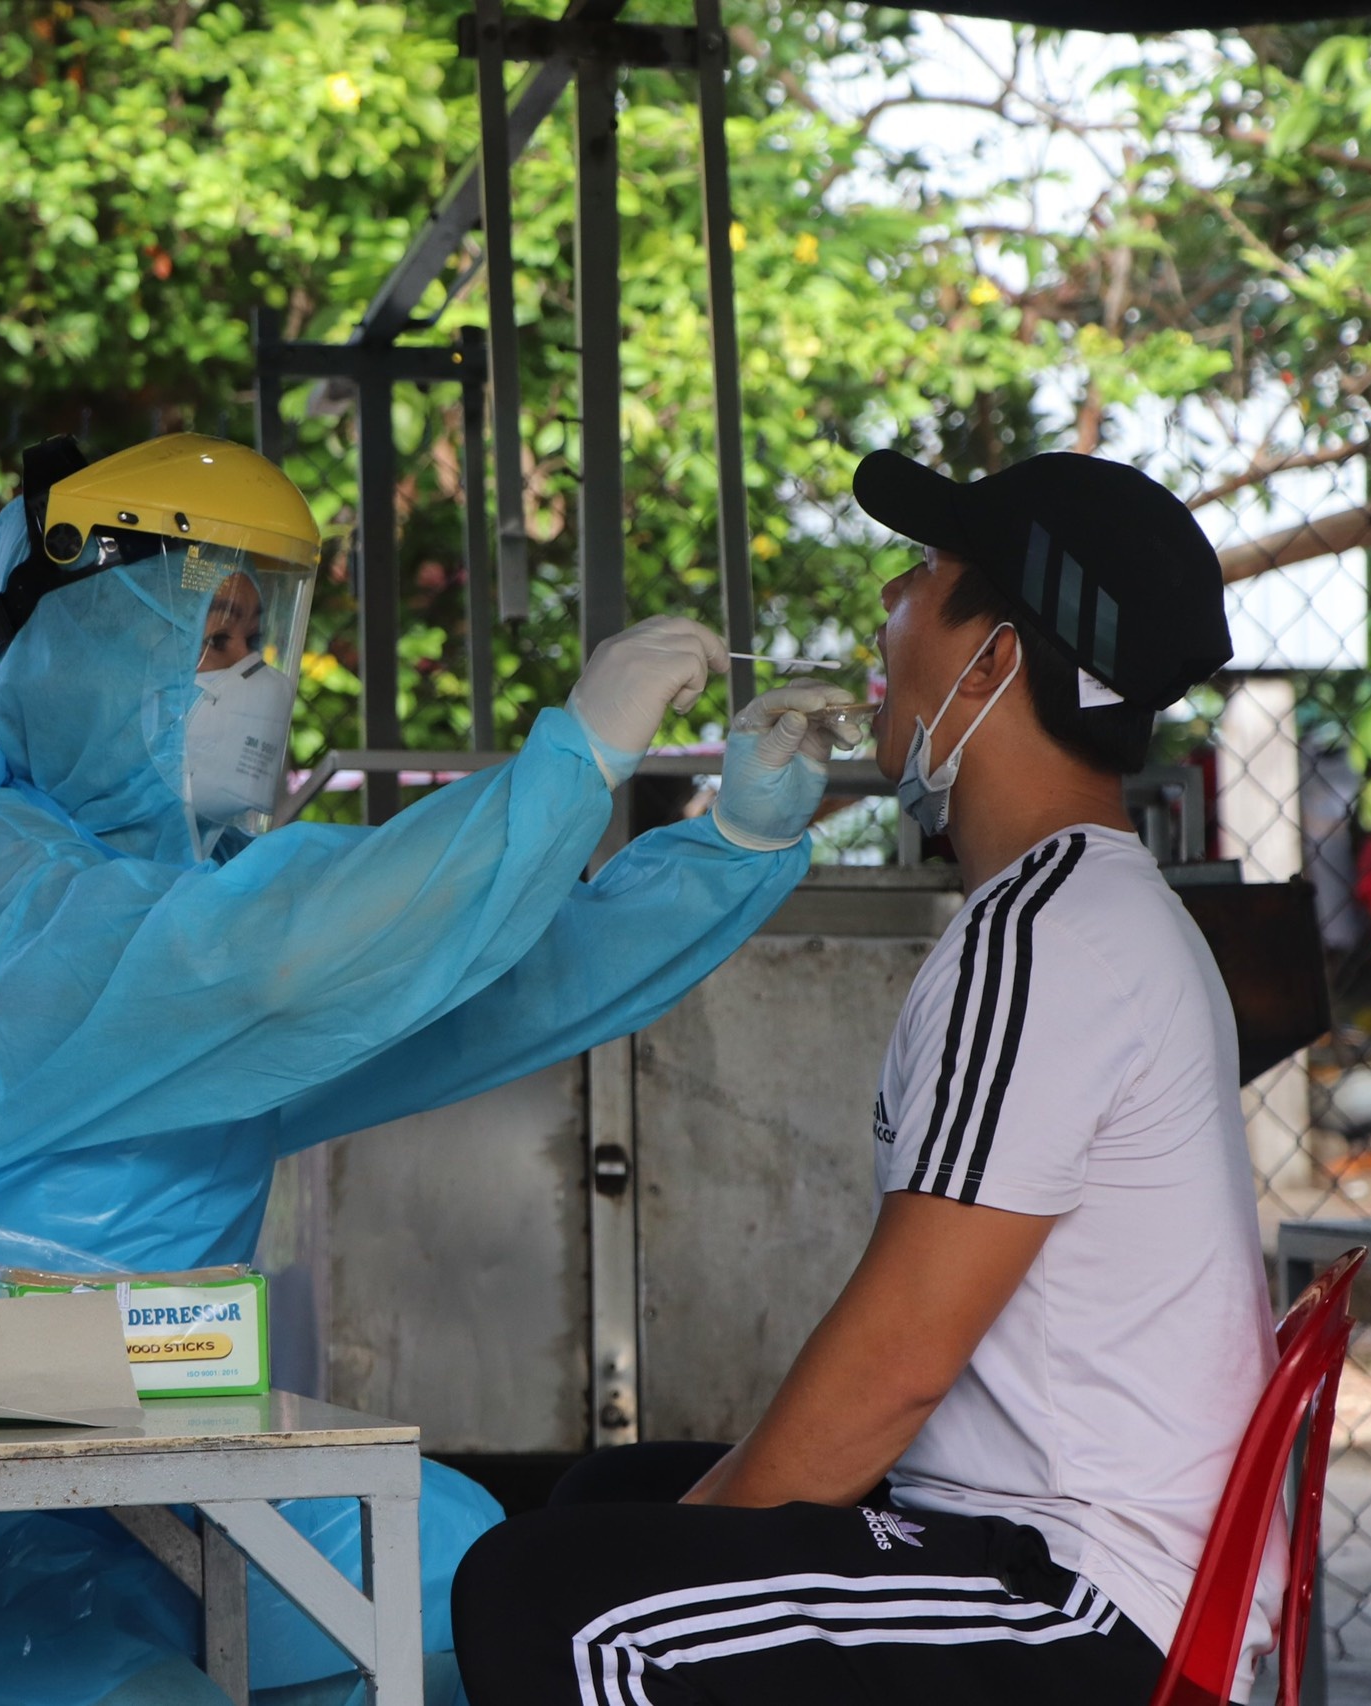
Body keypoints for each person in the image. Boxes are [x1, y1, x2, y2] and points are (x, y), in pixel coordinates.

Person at [0, 431, 854, 1706]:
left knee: (471, 1588)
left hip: (121, 1472)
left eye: (258, 639)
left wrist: (725, 844)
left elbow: (469, 996)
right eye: (208, 641)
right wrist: (570, 760)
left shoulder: (164, 898)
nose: (250, 682)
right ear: (87, 645)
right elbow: (267, 958)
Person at [453, 450, 1281, 1705]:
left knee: (545, 1597)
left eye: (924, 573)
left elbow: (893, 1366)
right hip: (1062, 1539)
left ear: (996, 658)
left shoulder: (1040, 938)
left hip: (1090, 1602)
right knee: (598, 1499)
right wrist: (676, 1526)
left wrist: (690, 1547)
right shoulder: (1075, 907)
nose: (887, 602)